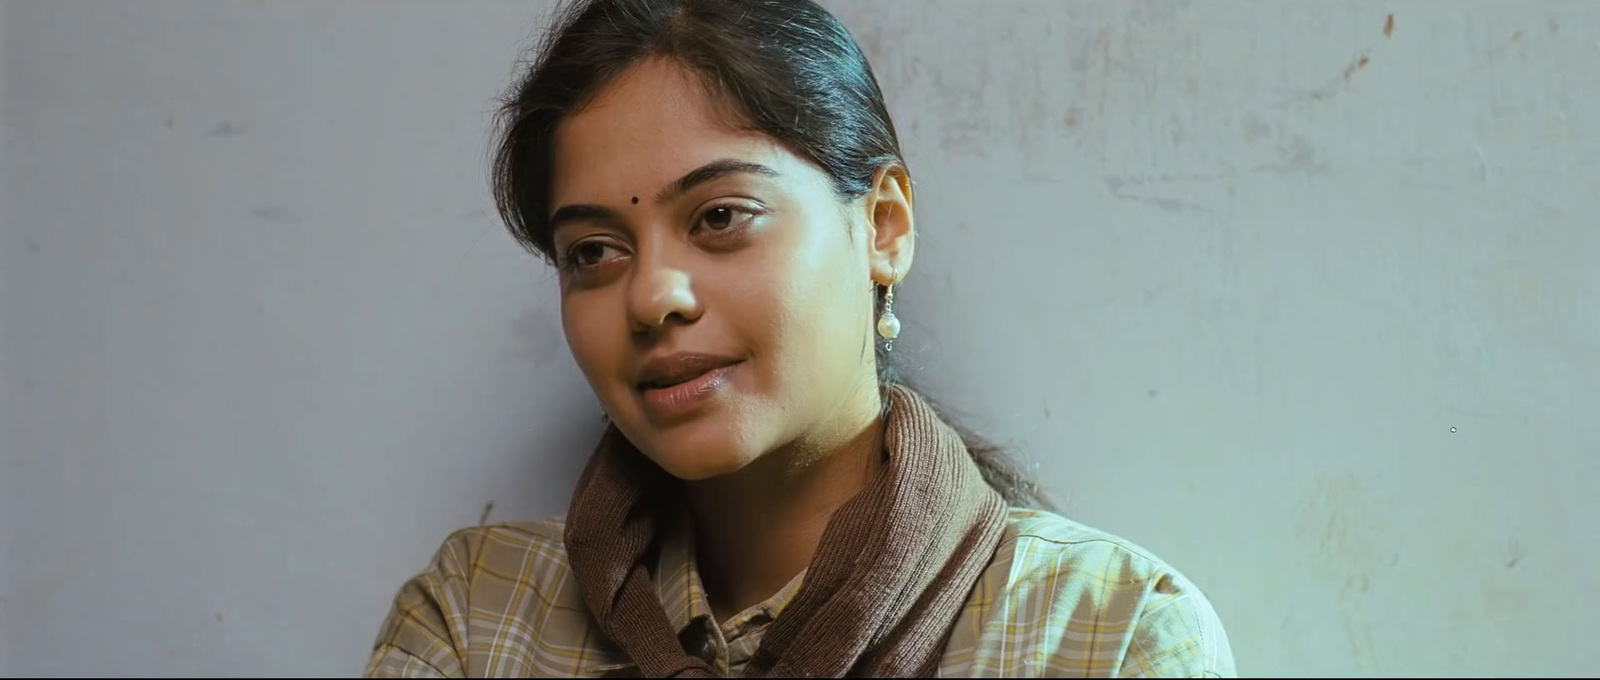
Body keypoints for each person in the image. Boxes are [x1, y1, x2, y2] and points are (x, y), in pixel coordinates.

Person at [364, 0, 1235, 676]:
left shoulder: (1105, 638)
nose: (653, 296)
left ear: (884, 227)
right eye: (592, 251)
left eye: (720, 217)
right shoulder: (480, 618)